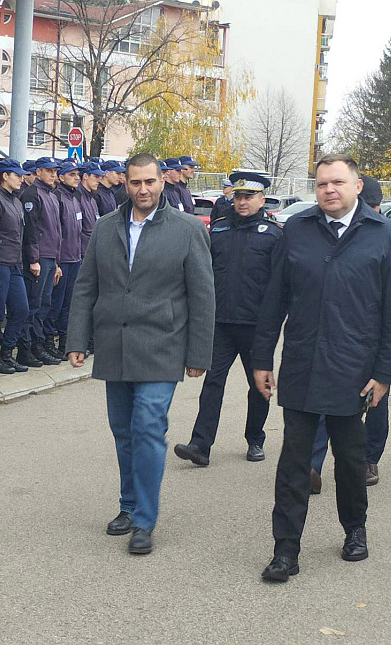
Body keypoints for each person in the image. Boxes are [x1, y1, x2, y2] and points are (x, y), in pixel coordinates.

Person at [252, 154, 391, 582]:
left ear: (357, 186)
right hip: (302, 363)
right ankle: (285, 549)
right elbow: (274, 299)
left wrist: (386, 372)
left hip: (354, 368)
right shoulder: (297, 230)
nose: (329, 190)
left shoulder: (386, 234)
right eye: (322, 183)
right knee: (293, 461)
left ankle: (354, 528)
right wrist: (262, 358)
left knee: (350, 458)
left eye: (338, 182)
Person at [66, 152, 215, 555]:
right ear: (126, 183)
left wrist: (199, 353)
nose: (143, 189)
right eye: (136, 182)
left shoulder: (186, 229)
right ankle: (128, 505)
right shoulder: (105, 227)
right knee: (123, 431)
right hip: (115, 345)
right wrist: (77, 339)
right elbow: (86, 286)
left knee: (148, 426)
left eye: (150, 181)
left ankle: (145, 521)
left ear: (162, 182)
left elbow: (203, 295)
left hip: (162, 345)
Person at [308, 175, 391, 492]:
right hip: (333, 328)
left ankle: (368, 459)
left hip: (373, 333)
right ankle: (312, 465)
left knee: (374, 399)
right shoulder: (337, 231)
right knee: (324, 398)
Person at [174, 172, 281, 467]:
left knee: (257, 385)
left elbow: (279, 285)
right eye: (238, 197)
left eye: (249, 197)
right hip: (221, 323)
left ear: (262, 199)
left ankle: (255, 438)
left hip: (255, 325)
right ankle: (200, 445)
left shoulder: (273, 235)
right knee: (213, 383)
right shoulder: (218, 230)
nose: (242, 202)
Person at [0, 158, 31, 373]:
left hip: (14, 263)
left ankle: (7, 352)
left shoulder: (17, 201)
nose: (21, 179)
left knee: (21, 309)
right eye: (17, 175)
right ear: (4, 176)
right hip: (0, 262)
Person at [18, 156, 63, 367]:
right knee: (33, 304)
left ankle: (39, 344)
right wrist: (34, 258)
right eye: (49, 171)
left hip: (50, 256)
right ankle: (26, 349)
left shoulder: (51, 194)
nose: (53, 175)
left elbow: (57, 230)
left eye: (55, 171)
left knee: (44, 304)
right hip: (39, 257)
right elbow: (31, 229)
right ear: (38, 172)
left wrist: (57, 260)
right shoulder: (32, 194)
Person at [47, 161, 83, 356]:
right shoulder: (58, 197)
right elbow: (56, 232)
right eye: (71, 174)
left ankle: (64, 342)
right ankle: (48, 342)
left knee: (69, 303)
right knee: (56, 303)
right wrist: (57, 262)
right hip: (62, 259)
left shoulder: (74, 198)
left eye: (77, 174)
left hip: (75, 257)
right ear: (61, 177)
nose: (76, 178)